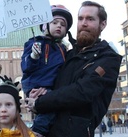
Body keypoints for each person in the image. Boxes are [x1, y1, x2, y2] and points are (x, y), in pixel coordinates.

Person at [26, 1, 122, 137]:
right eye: (80, 18)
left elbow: (82, 91)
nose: (84, 23)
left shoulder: (108, 58)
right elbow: (51, 81)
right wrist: (37, 92)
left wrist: (41, 102)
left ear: (103, 24)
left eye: (90, 19)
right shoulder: (68, 54)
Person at [20, 4, 73, 137]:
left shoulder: (63, 49)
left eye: (63, 24)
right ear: (45, 26)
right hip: (36, 85)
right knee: (51, 107)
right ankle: (37, 131)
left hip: (52, 87)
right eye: (55, 22)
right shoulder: (35, 43)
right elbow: (25, 67)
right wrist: (33, 56)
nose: (59, 26)